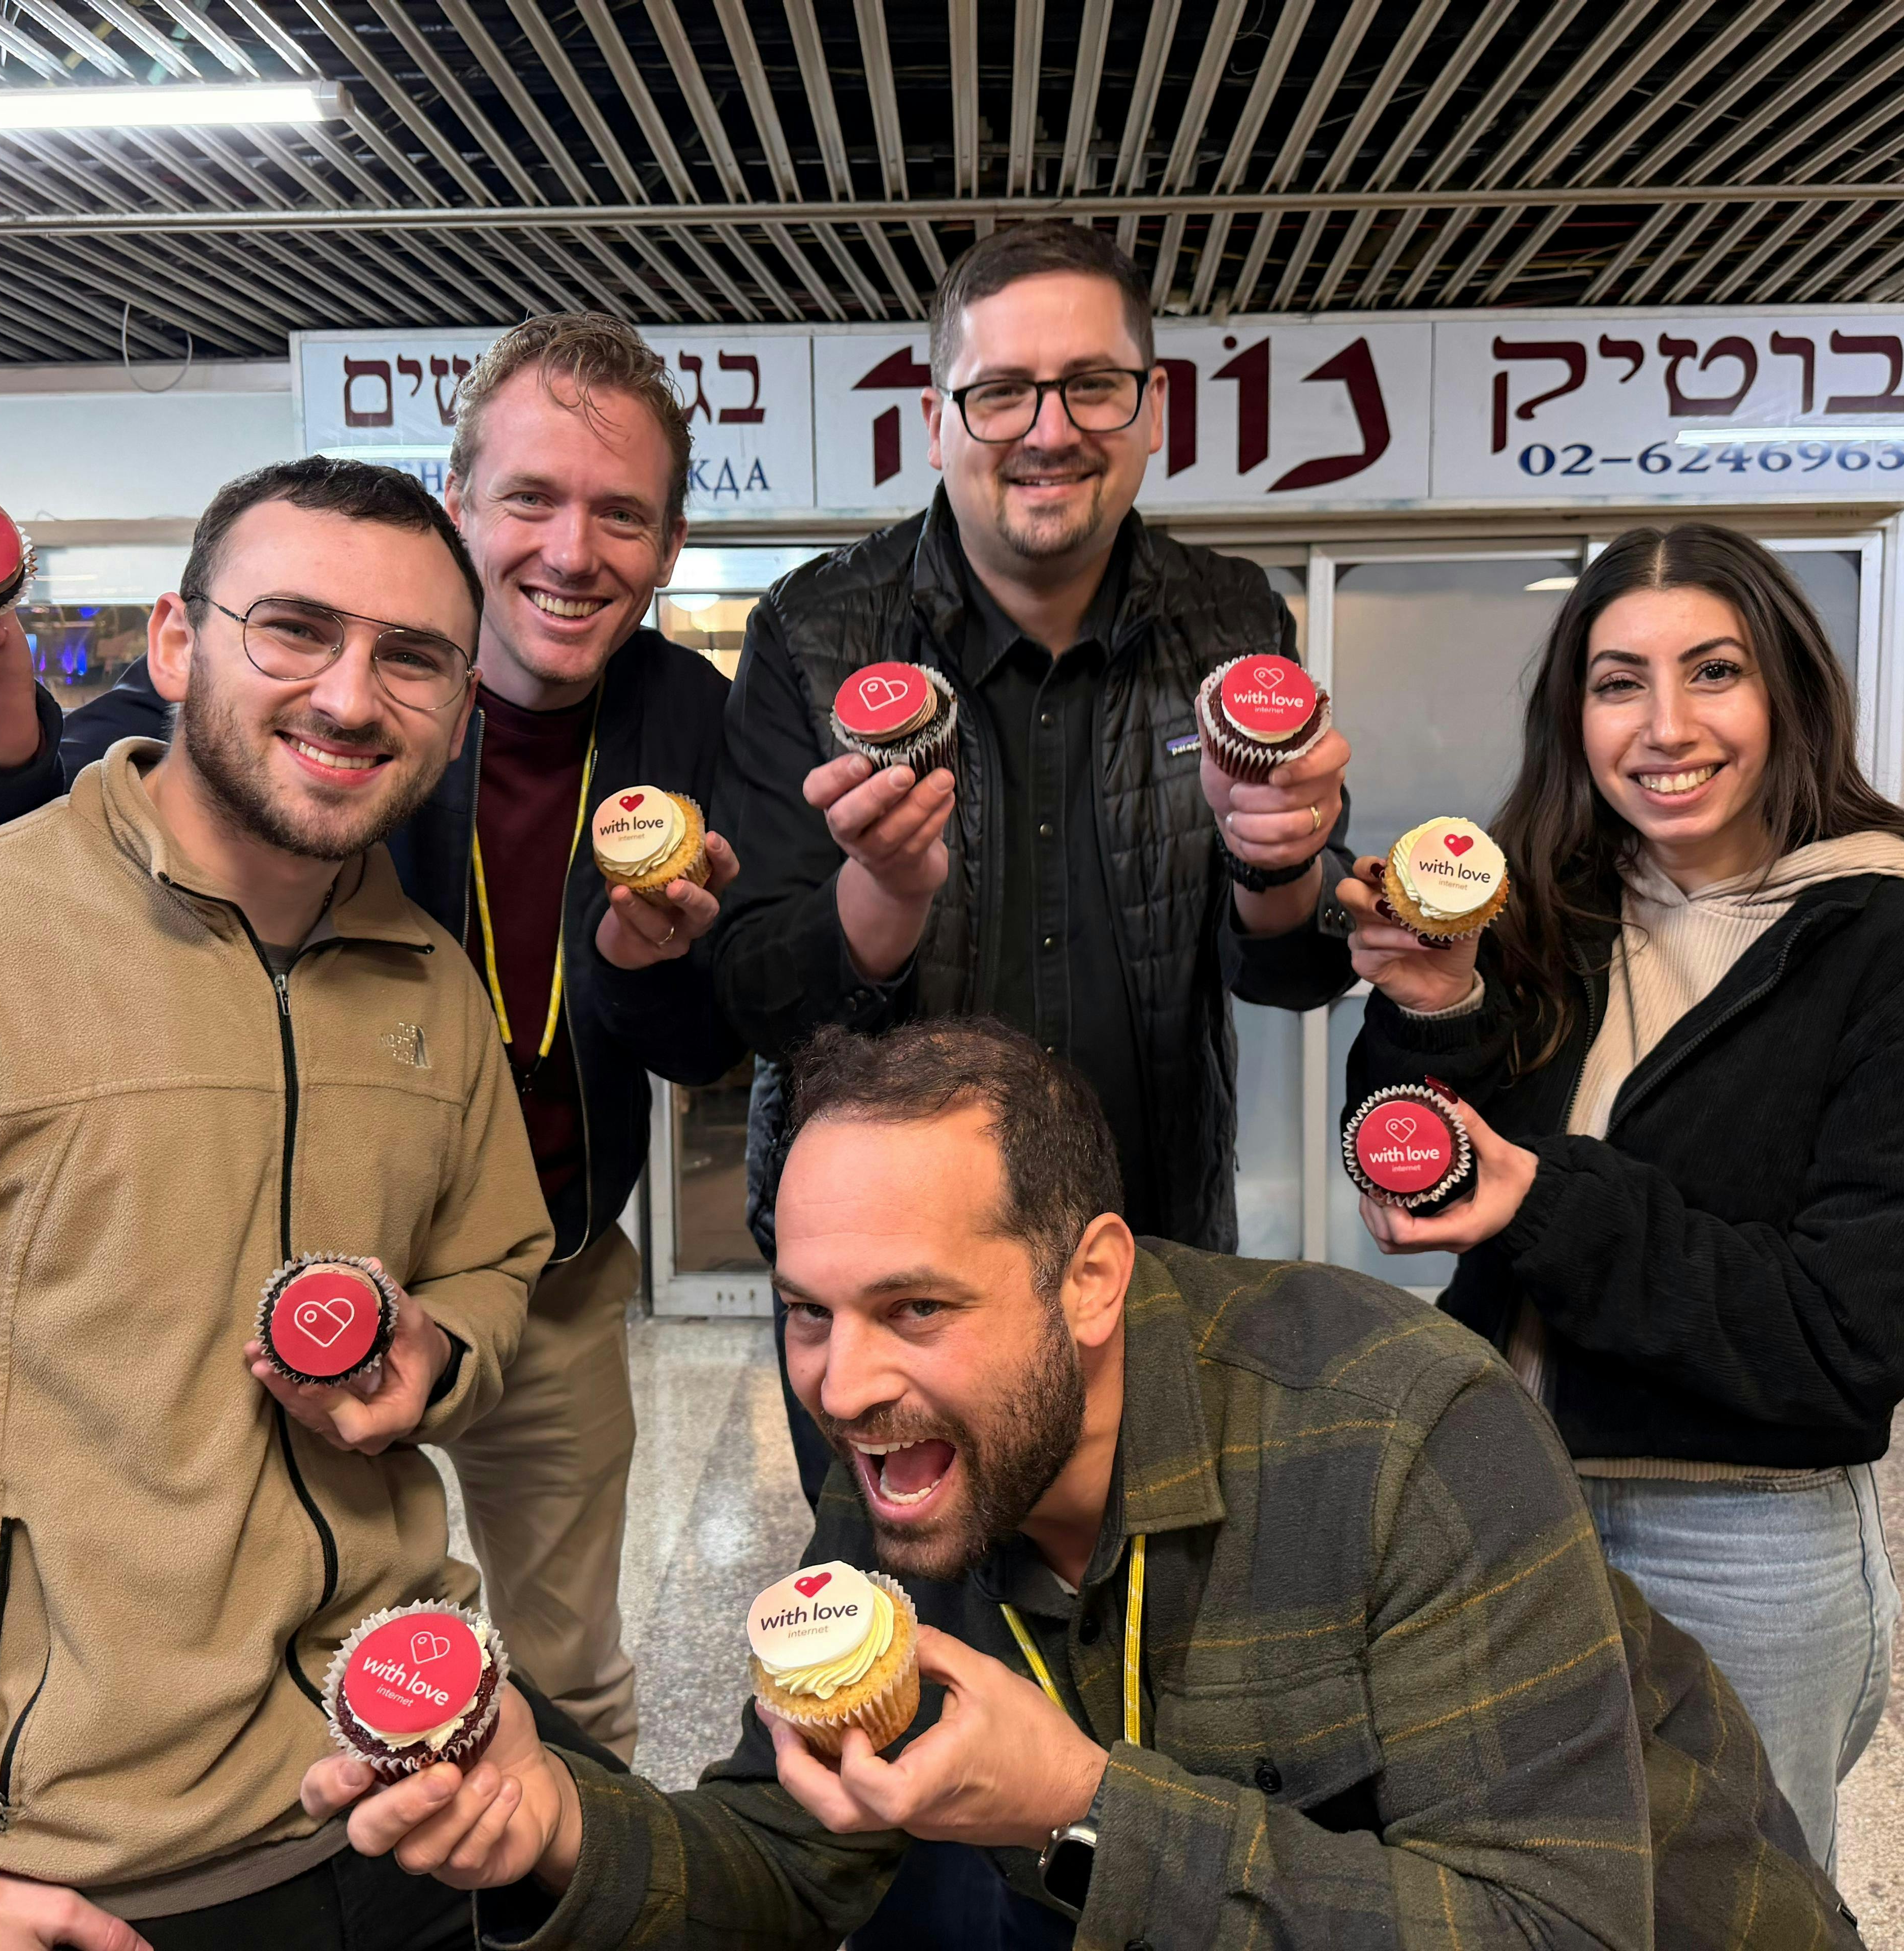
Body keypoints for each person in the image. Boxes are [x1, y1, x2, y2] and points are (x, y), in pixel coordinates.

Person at [300, 1022, 1861, 1951]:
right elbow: (796, 1856)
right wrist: (552, 1824)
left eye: (916, 1307)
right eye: (806, 1310)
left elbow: (1551, 1934)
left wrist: (1081, 1806)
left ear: (1093, 1278)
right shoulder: (907, 1455)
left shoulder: (1401, 1437)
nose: (839, 1385)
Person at [0, 316, 747, 1761]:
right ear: (460, 510)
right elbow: (81, 833)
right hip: (240, 1275)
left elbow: (708, 1042)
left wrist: (644, 970)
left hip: (542, 1271)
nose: (572, 551)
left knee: (565, 1682)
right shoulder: (276, 698)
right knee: (220, 1651)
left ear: (669, 546)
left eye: (619, 513)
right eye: (530, 500)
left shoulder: (689, 715)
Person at [0, 461, 551, 1947]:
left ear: (461, 707)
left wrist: (442, 1352)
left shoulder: (433, 980)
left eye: (413, 657)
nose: (352, 698)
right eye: (293, 629)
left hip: (406, 1794)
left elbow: (498, 1261)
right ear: (175, 643)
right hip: (90, 1872)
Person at [712, 219, 1356, 1502]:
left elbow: (1289, 973)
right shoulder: (813, 627)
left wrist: (1283, 869)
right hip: (885, 1283)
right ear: (938, 417)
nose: (1047, 429)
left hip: (1151, 1239)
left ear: (1153, 406)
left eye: (1092, 386)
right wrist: (880, 902)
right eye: (1001, 390)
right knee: (907, 1627)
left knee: (1157, 1610)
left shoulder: (1233, 619)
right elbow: (752, 995)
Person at [1339, 522, 1904, 1874]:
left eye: (1713, 673)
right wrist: (1435, 1015)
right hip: (1503, 1505)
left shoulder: (1877, 936)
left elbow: (1844, 1343)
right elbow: (1415, 1162)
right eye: (1617, 683)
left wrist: (1546, 1203)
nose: (1666, 727)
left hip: (1746, 1539)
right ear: (1572, 715)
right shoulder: (1554, 909)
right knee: (1521, 1885)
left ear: (1789, 691)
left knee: (1731, 1902)